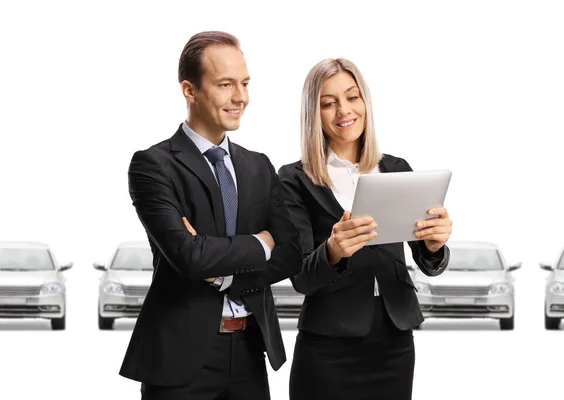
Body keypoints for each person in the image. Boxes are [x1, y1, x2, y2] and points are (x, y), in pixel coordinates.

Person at [119, 31, 302, 400]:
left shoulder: (258, 166)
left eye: (245, 83)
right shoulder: (154, 166)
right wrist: (259, 242)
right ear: (190, 90)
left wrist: (222, 274)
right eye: (225, 84)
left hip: (250, 350)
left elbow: (292, 253)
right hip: (180, 359)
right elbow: (189, 257)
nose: (241, 97)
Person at [278, 58, 453, 400]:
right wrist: (333, 251)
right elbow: (300, 278)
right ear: (314, 113)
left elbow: (428, 261)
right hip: (328, 344)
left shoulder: (396, 168)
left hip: (394, 338)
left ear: (365, 102)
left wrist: (435, 245)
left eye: (352, 97)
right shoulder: (293, 180)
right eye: (328, 103)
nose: (344, 110)